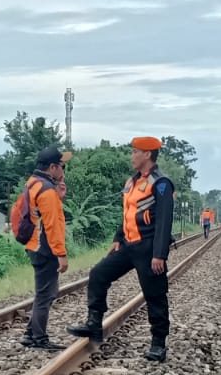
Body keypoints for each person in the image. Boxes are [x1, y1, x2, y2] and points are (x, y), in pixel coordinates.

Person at [67, 136, 174, 362]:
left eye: (135, 152)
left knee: (154, 295)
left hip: (148, 248)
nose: (131, 156)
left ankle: (158, 343)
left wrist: (159, 254)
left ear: (147, 154)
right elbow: (127, 213)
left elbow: (164, 221)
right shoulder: (131, 182)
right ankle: (93, 324)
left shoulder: (161, 183)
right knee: (98, 274)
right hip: (128, 245)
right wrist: (118, 237)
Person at [21, 147, 70, 350]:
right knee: (46, 294)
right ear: (52, 167)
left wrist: (58, 197)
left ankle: (31, 333)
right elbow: (51, 225)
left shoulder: (33, 183)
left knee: (46, 291)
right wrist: (61, 254)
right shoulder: (47, 190)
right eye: (62, 166)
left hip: (34, 244)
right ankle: (38, 338)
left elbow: (40, 214)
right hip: (46, 248)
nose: (64, 170)